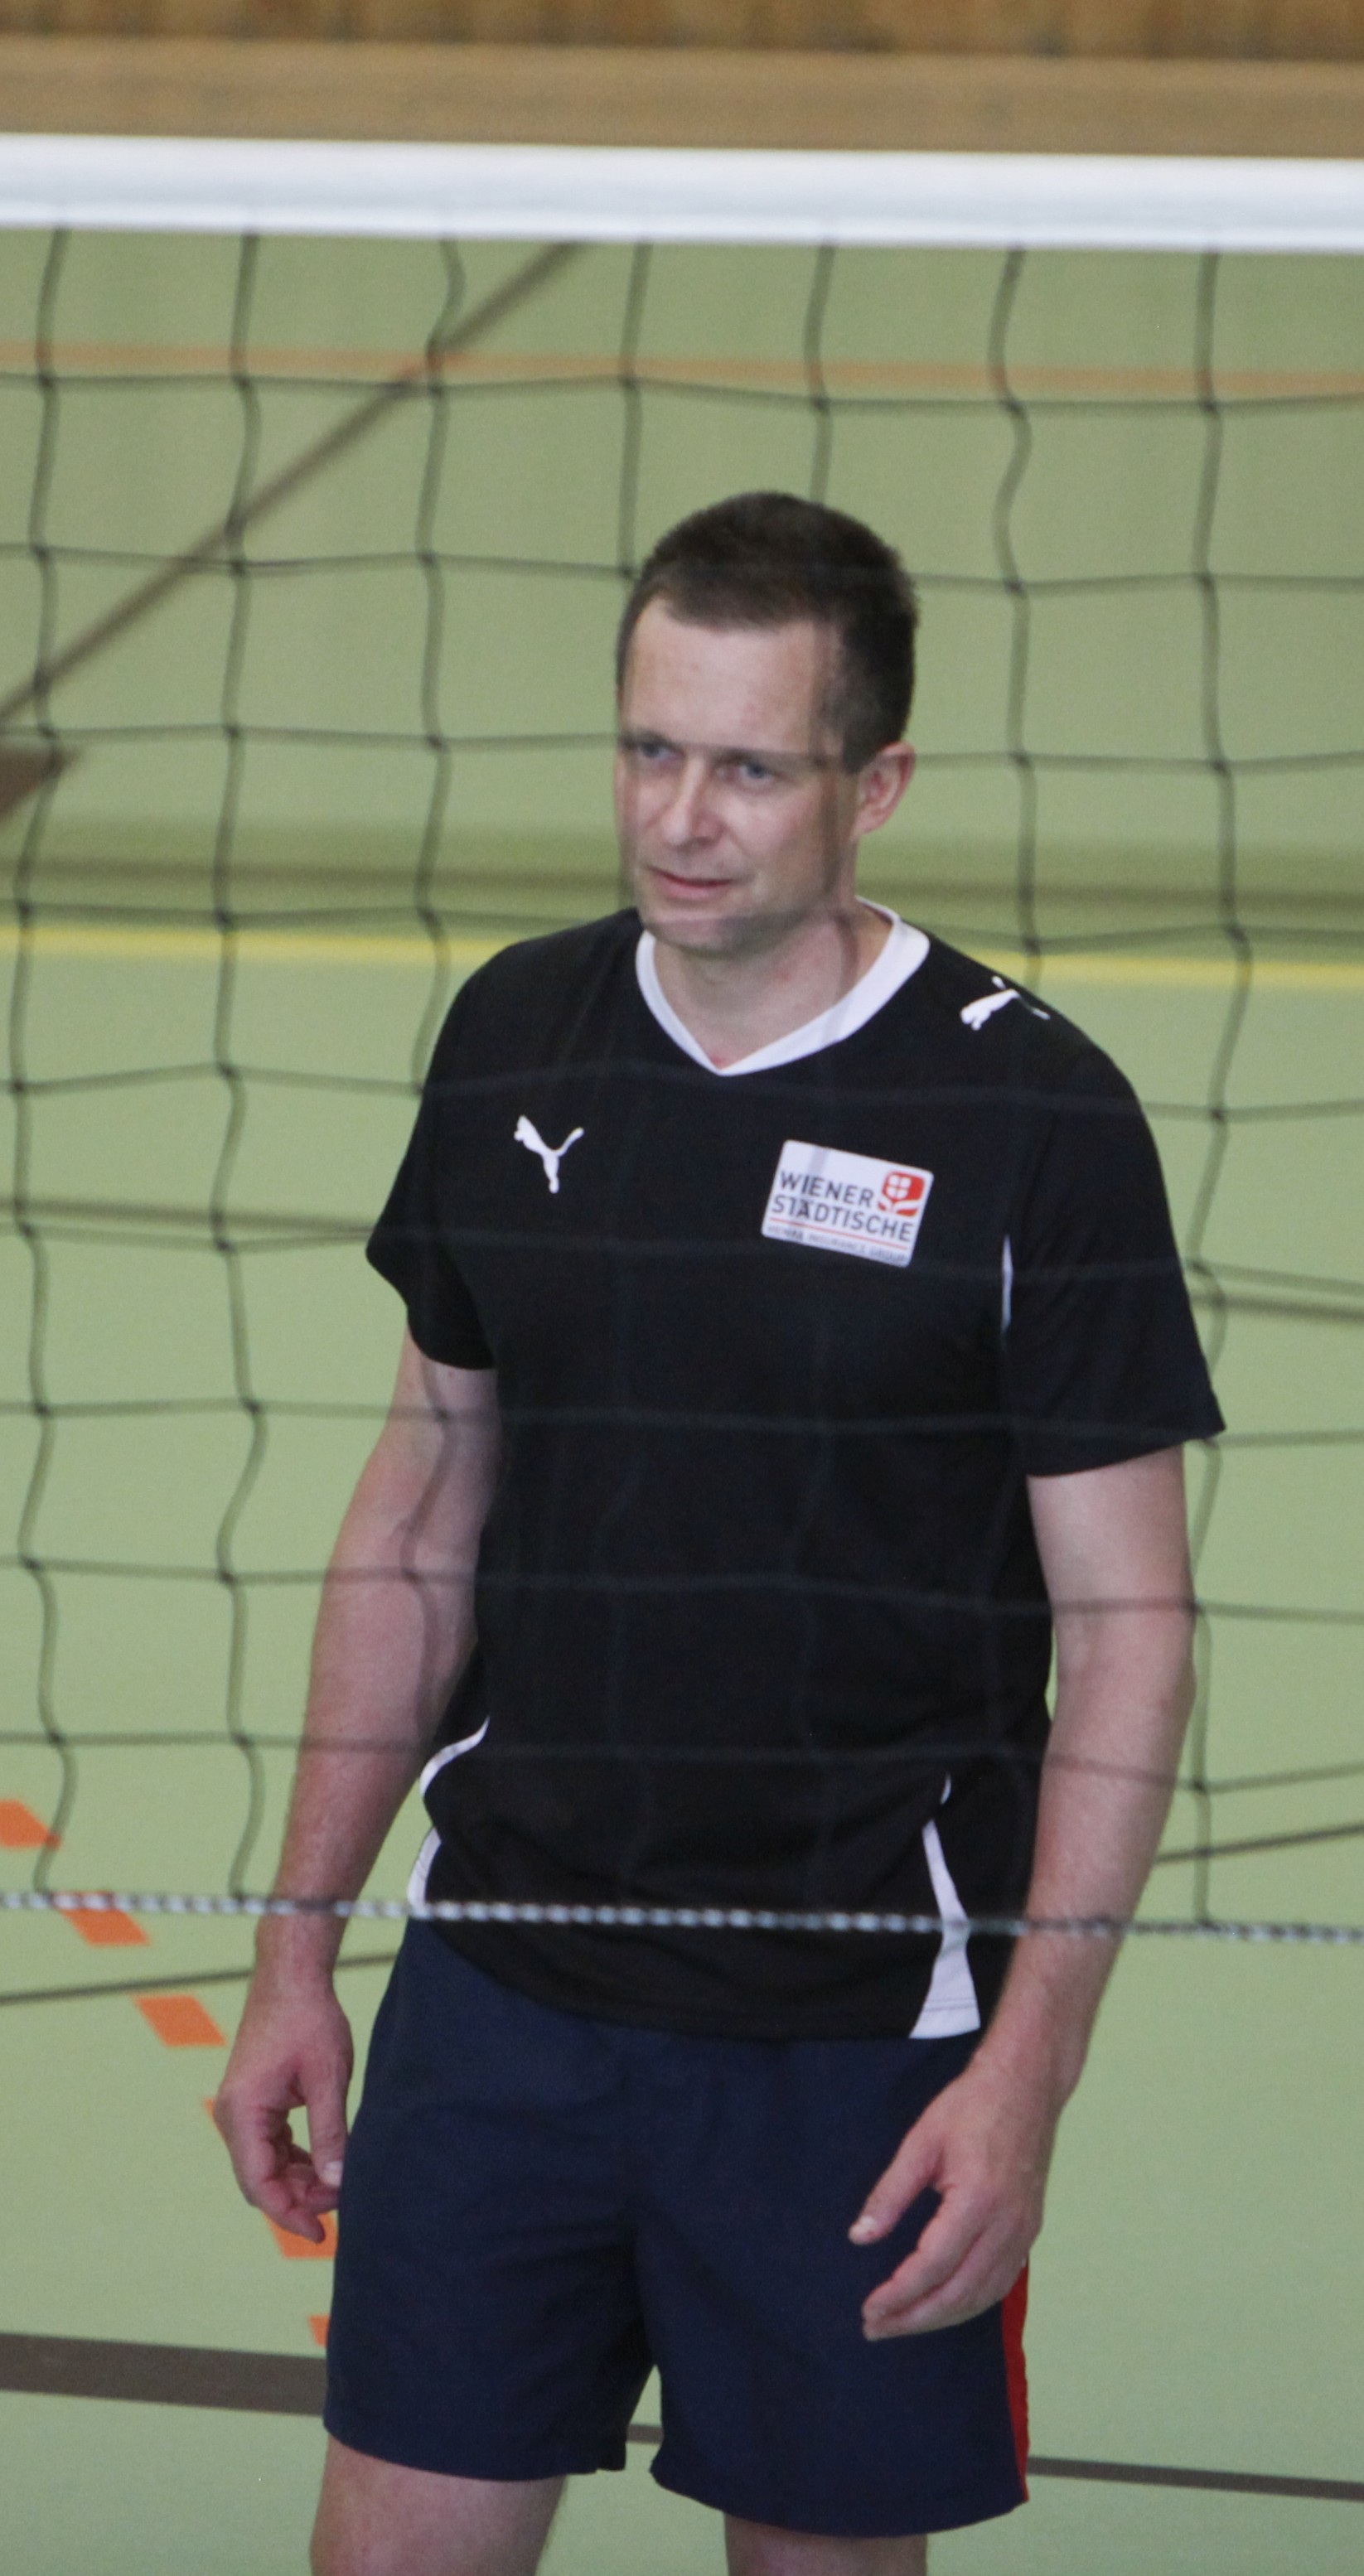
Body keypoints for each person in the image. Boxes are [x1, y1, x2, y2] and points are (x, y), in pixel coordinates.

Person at [215, 491, 1223, 2576]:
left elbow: (1129, 1629)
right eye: (649, 747)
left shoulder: (1032, 1118)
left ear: (876, 784)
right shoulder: (518, 1033)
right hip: (504, 1988)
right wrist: (296, 1948)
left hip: (855, 2035)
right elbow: (422, 1503)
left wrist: (1027, 2073)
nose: (682, 819)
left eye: (752, 768)